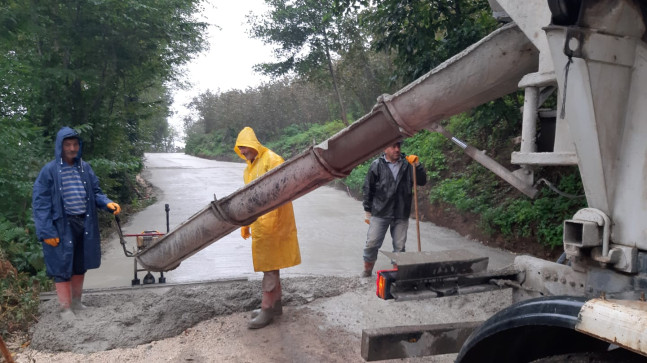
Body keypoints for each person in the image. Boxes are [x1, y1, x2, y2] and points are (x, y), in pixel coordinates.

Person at [32, 126, 121, 320]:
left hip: (84, 222)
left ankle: (77, 303)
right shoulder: (50, 171)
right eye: (68, 145)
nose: (72, 148)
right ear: (60, 147)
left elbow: (96, 192)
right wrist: (47, 231)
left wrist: (107, 203)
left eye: (75, 144)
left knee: (80, 264)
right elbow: (40, 203)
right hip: (61, 225)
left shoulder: (85, 168)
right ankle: (65, 309)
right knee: (62, 265)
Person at [234, 126, 301, 329]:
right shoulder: (248, 168)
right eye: (240, 149)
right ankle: (276, 306)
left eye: (245, 147)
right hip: (260, 224)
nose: (243, 152)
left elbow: (285, 188)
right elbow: (247, 198)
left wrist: (266, 219)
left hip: (275, 223)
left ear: (254, 144)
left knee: (269, 269)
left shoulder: (272, 160)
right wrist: (246, 223)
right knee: (270, 265)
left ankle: (266, 309)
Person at [361, 140, 426, 277]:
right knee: (372, 244)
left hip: (401, 212)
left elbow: (422, 181)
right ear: (385, 148)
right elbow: (368, 189)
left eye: (399, 146)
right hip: (380, 212)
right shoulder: (376, 165)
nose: (397, 149)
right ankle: (367, 271)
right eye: (393, 146)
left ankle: (396, 275)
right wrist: (368, 210)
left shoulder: (408, 165)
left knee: (399, 247)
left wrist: (418, 166)